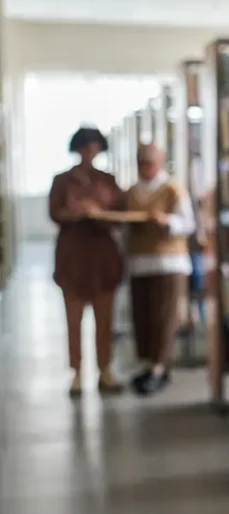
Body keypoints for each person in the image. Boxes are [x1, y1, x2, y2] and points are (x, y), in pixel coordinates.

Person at [48, 127, 126, 396]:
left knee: (105, 320)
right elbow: (54, 213)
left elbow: (120, 214)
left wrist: (99, 212)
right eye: (84, 146)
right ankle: (77, 372)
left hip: (103, 257)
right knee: (74, 320)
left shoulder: (108, 180)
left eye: (93, 146)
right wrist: (76, 213)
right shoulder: (62, 181)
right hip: (73, 258)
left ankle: (106, 369)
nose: (89, 151)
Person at [124, 144, 195, 395]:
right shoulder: (132, 192)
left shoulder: (173, 189)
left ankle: (160, 366)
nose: (145, 167)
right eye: (141, 162)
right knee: (144, 317)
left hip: (168, 263)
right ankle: (148, 365)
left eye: (150, 162)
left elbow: (188, 224)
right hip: (139, 263)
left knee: (165, 317)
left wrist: (167, 222)